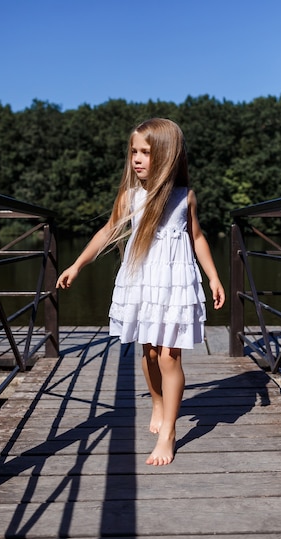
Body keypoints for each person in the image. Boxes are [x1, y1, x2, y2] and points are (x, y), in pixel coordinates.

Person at [56, 118, 225, 466]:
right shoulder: (130, 196)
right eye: (134, 151)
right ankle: (158, 402)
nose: (137, 159)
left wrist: (214, 277)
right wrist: (76, 264)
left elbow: (196, 238)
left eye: (146, 153)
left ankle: (169, 433)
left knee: (168, 355)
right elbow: (106, 232)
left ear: (165, 155)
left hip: (175, 281)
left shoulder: (183, 196)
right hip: (143, 281)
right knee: (149, 353)